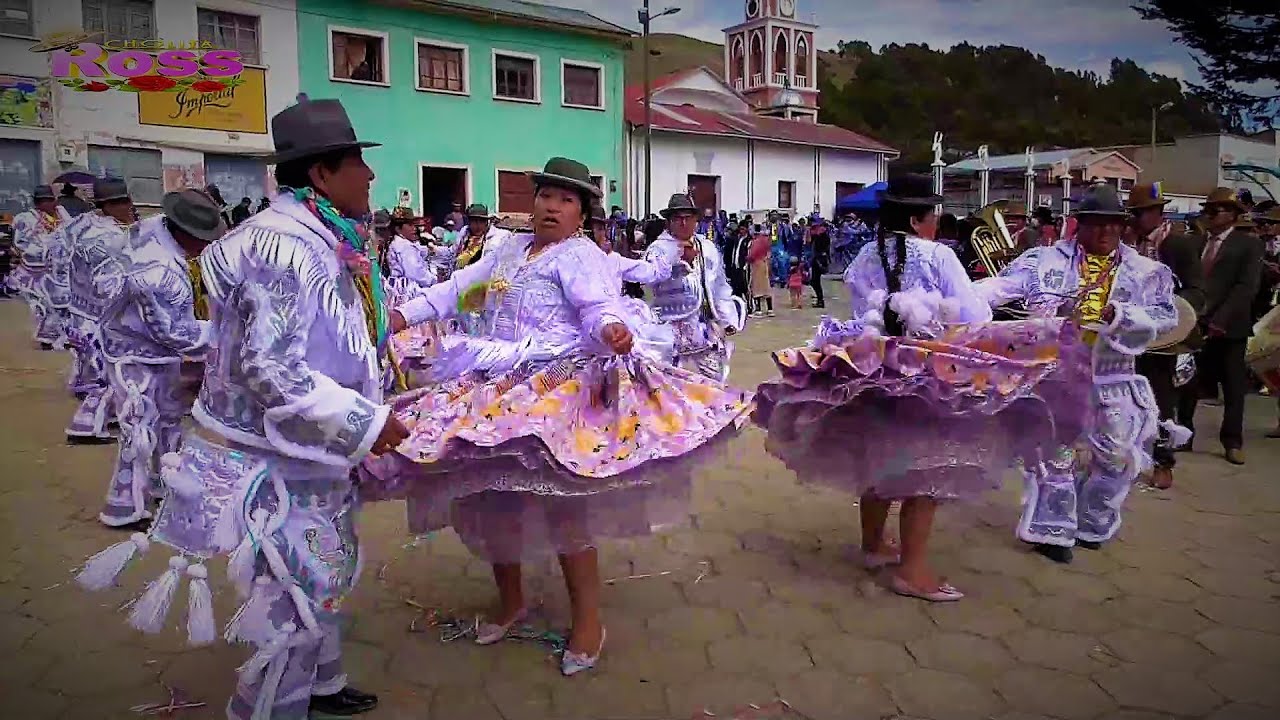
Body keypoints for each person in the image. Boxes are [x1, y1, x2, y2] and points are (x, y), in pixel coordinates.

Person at [75, 97, 404, 719]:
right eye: (358, 162)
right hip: (281, 451)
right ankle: (270, 708)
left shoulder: (314, 235)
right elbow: (273, 369)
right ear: (322, 174)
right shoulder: (283, 247)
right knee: (293, 585)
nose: (370, 175)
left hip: (310, 447)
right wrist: (371, 422)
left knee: (323, 569)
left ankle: (323, 683)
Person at [374, 156, 752, 677]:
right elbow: (458, 288)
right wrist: (402, 314)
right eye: (546, 196)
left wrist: (612, 330)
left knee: (564, 506)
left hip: (556, 387)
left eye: (566, 200)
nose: (552, 207)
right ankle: (511, 602)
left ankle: (588, 621)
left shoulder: (581, 256)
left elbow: (597, 308)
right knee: (491, 493)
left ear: (581, 213)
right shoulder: (508, 249)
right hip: (496, 383)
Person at [755, 173, 1082, 599]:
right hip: (928, 377)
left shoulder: (867, 254)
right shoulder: (938, 256)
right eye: (933, 215)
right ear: (915, 220)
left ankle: (874, 545)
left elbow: (861, 306)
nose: (936, 222)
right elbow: (974, 315)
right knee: (926, 469)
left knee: (877, 456)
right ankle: (911, 570)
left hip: (875, 367)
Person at [977, 183, 1179, 564]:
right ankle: (1053, 531)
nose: (1105, 231)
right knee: (1057, 455)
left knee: (1117, 457)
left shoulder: (1146, 271)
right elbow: (1000, 287)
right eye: (1096, 223)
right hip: (1059, 377)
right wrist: (957, 299)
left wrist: (1123, 315)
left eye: (1113, 224)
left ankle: (1091, 520)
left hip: (1113, 376)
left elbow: (1169, 316)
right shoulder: (1044, 261)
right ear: (1079, 224)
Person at [95, 189, 226, 529]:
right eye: (203, 239)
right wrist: (228, 334)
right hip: (135, 355)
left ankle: (162, 485)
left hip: (136, 344)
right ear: (186, 233)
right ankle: (125, 507)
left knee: (166, 419)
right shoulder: (161, 272)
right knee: (139, 428)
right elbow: (176, 333)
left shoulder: (151, 229)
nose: (205, 247)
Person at [1176, 187, 1265, 465]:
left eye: (1217, 210)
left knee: (1233, 385)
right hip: (1196, 324)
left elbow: (1246, 287)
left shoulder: (1248, 245)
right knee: (1188, 382)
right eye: (1208, 210)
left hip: (1230, 326)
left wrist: (1221, 320)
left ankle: (1232, 441)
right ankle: (1184, 434)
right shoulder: (1195, 243)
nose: (1211, 215)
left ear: (1233, 214)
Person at [1126, 182, 1206, 489]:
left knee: (1160, 399)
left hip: (1165, 338)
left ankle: (1163, 461)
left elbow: (1197, 290)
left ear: (1158, 212)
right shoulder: (1127, 244)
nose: (1137, 220)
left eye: (1143, 213)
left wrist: (1171, 310)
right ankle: (1129, 456)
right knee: (1127, 397)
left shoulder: (1178, 245)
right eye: (1134, 214)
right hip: (1132, 333)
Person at [60, 178, 136, 444]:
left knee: (98, 373)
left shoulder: (80, 225)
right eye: (124, 202)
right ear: (110, 205)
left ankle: (109, 415)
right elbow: (112, 286)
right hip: (98, 318)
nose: (129, 208)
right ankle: (85, 428)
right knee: (110, 375)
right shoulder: (111, 237)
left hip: (78, 312)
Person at [646, 193, 746, 382]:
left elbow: (719, 286)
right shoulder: (658, 249)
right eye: (678, 218)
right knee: (672, 386)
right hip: (670, 330)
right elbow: (650, 277)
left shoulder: (707, 247)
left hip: (705, 332)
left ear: (696, 220)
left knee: (714, 385)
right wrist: (678, 263)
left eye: (688, 218)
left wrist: (727, 319)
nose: (683, 223)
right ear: (669, 222)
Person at [9, 184, 72, 349]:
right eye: (44, 201)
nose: (48, 204)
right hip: (38, 273)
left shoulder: (62, 215)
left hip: (62, 270)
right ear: (37, 203)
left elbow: (72, 233)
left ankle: (66, 338)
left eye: (50, 200)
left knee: (66, 305)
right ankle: (47, 339)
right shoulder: (26, 219)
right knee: (46, 306)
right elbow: (21, 244)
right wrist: (46, 247)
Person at [385, 212, 436, 304]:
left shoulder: (399, 243)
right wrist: (434, 280)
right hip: (409, 292)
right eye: (409, 225)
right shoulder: (404, 246)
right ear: (398, 229)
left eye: (414, 225)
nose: (414, 229)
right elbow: (416, 273)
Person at [748, 223, 775, 317]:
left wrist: (747, 258)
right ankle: (770, 309)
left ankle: (758, 310)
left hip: (757, 264)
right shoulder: (766, 240)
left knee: (757, 288)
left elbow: (752, 254)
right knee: (766, 287)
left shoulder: (756, 241)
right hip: (765, 263)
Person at [724, 220, 752, 305]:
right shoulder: (736, 239)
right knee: (736, 288)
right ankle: (738, 305)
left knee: (745, 288)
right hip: (735, 266)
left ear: (747, 229)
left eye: (743, 229)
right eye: (740, 229)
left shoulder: (749, 240)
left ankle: (749, 305)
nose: (741, 231)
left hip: (743, 267)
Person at [806, 215, 831, 308]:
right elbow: (808, 241)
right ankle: (820, 300)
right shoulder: (817, 236)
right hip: (816, 259)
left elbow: (824, 250)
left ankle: (820, 300)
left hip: (819, 260)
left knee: (815, 281)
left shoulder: (824, 237)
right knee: (814, 281)